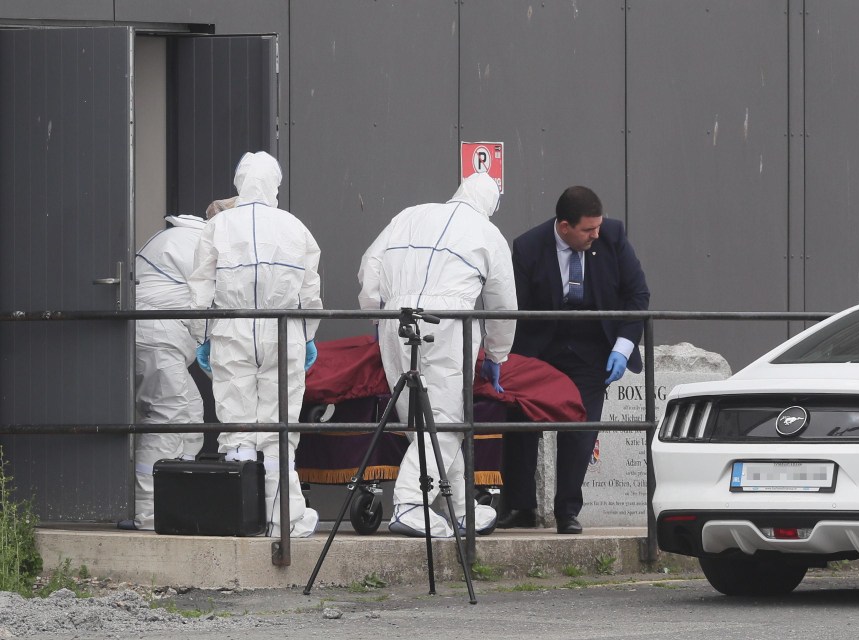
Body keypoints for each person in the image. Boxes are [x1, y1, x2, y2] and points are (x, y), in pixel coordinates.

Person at [357, 172, 517, 538]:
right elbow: (503, 304)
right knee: (445, 424)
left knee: (422, 423)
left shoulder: (410, 215)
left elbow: (371, 265)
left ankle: (459, 508)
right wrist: (497, 353)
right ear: (491, 205)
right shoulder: (487, 233)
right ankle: (411, 504)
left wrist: (374, 313)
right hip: (448, 323)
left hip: (396, 319)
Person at [498, 186, 650, 534]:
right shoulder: (527, 247)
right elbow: (514, 308)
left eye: (598, 227)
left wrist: (622, 347)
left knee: (580, 428)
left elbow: (638, 295)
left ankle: (567, 510)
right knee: (520, 424)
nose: (596, 235)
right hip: (541, 345)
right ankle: (520, 507)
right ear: (564, 226)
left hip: (592, 345)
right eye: (588, 229)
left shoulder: (612, 236)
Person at [188, 151, 322, 538]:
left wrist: (204, 337)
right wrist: (308, 334)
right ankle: (286, 520)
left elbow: (199, 290)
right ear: (275, 184)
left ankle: (242, 517)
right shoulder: (295, 228)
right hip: (284, 333)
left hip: (233, 330)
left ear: (239, 182)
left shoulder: (218, 226)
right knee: (281, 427)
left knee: (238, 427)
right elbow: (310, 293)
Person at [119, 209, 227, 531]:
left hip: (153, 332)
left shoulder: (180, 237)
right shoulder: (201, 243)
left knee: (191, 411)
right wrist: (210, 345)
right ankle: (148, 513)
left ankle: (176, 503)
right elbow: (205, 301)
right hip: (158, 333)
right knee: (171, 416)